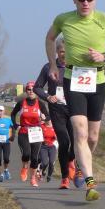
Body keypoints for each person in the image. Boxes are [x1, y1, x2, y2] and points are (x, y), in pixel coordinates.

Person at [44, 0, 105, 201]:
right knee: (79, 132)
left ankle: (81, 166)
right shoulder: (63, 19)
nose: (85, 3)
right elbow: (50, 38)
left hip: (97, 79)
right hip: (73, 79)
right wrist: (53, 65)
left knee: (92, 136)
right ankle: (90, 182)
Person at [33, 40, 77, 189]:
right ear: (57, 52)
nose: (65, 54)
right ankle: (65, 178)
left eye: (68, 51)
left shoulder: (75, 67)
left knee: (76, 142)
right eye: (62, 51)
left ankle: (71, 160)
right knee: (64, 142)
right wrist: (47, 97)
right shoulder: (49, 67)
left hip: (74, 109)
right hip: (57, 110)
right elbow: (37, 87)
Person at [10, 81, 49, 187]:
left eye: (33, 89)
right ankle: (24, 168)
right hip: (24, 132)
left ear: (36, 91)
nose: (31, 91)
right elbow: (13, 114)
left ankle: (33, 178)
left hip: (36, 132)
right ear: (26, 91)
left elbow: (48, 116)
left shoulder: (40, 103)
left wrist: (44, 118)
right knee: (26, 154)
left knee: (35, 157)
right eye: (29, 89)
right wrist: (15, 125)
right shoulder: (21, 103)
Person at [38, 118, 59, 183]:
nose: (49, 121)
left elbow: (59, 136)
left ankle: (49, 176)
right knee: (45, 163)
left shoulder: (55, 127)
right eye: (47, 120)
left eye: (50, 120)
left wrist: (56, 137)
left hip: (52, 147)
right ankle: (42, 170)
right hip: (43, 147)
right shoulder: (41, 126)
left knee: (51, 162)